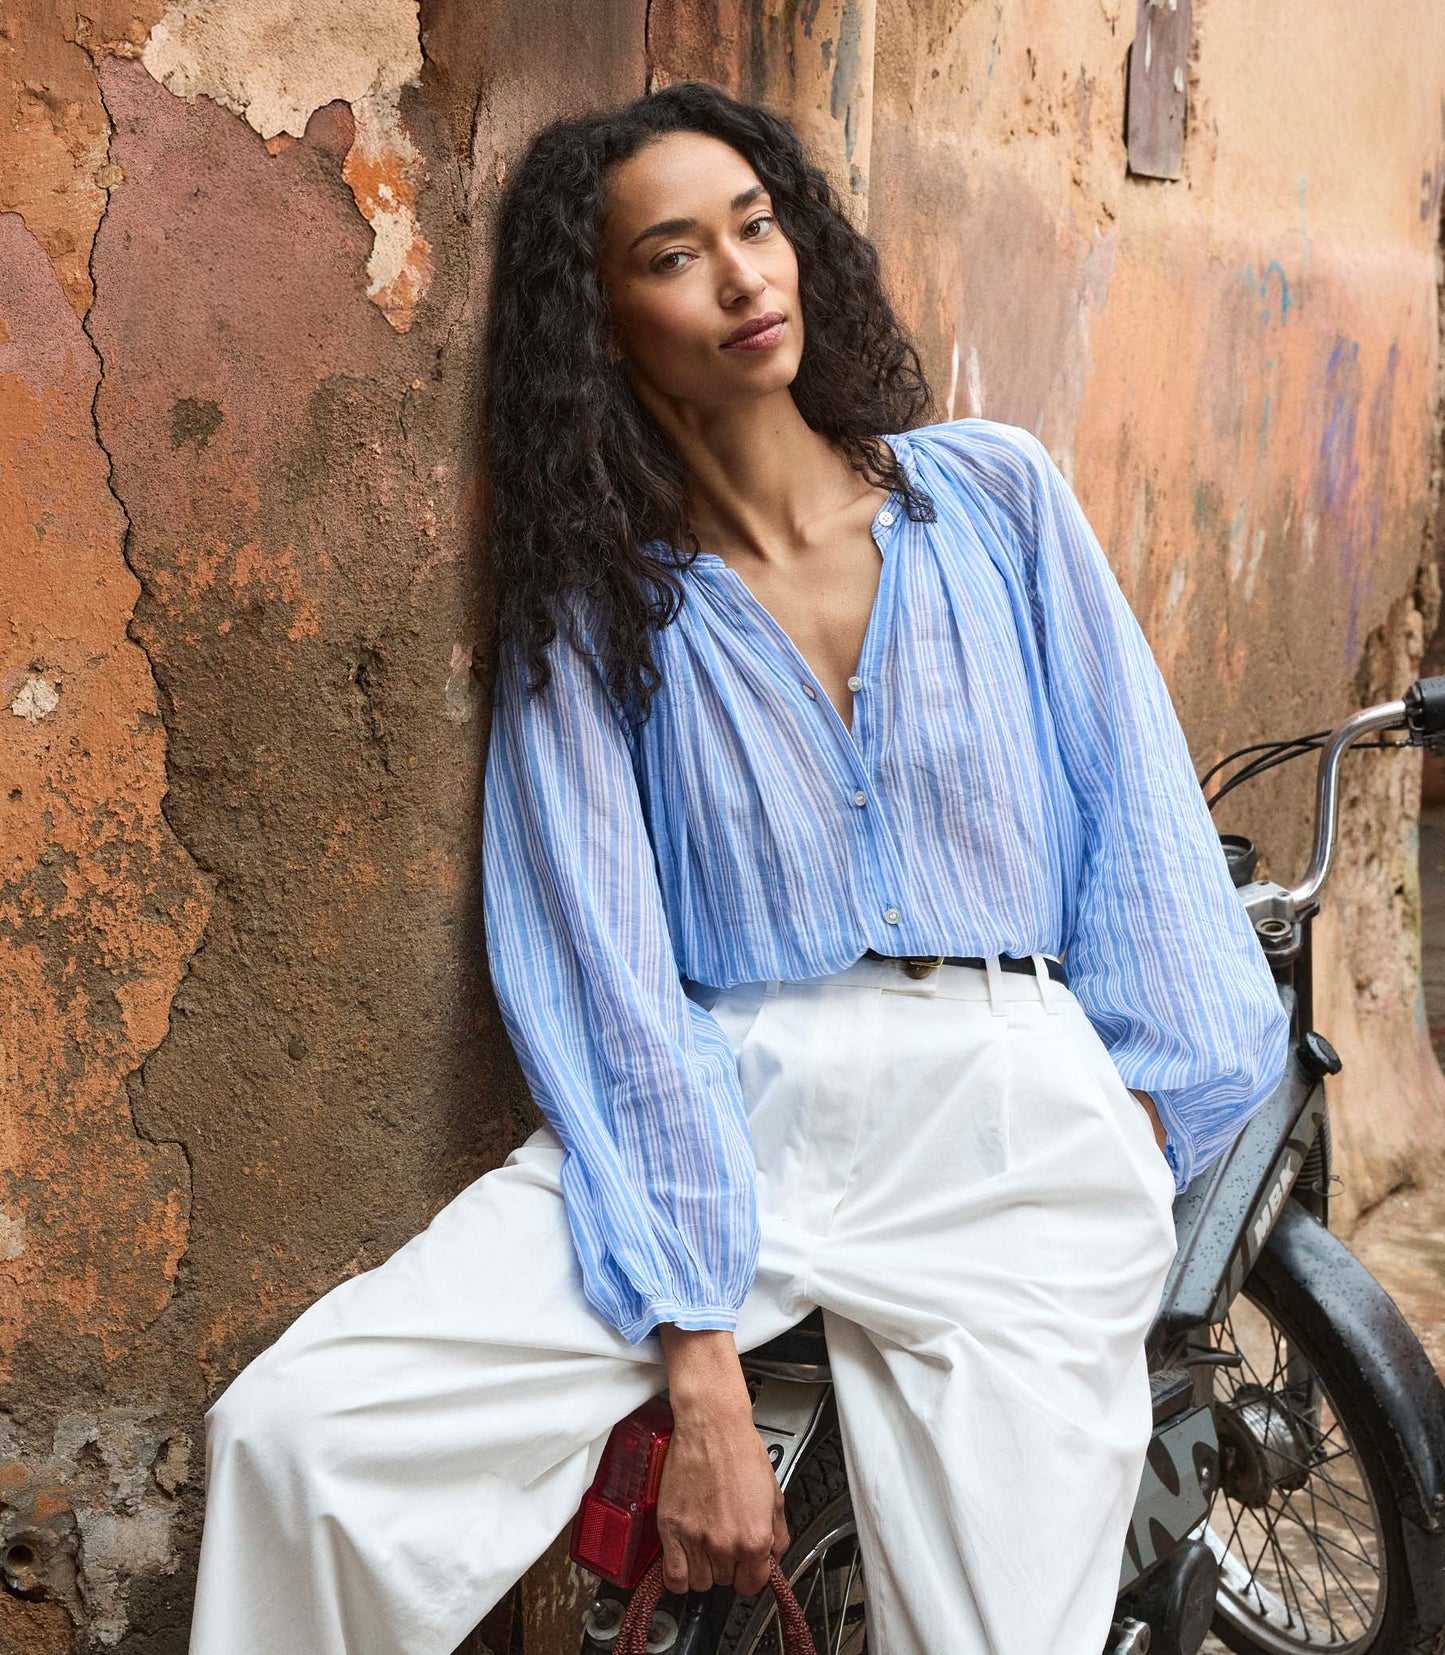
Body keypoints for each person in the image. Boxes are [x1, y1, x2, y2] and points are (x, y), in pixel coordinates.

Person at [187, 81, 1290, 1655]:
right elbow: (599, 971)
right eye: (674, 253)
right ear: (602, 322)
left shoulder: (991, 499)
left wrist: (1118, 1124)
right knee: (300, 1443)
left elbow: (1143, 835)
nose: (741, 277)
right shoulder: (599, 609)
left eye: (756, 226)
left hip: (1011, 1101)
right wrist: (691, 1359)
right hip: (725, 1102)